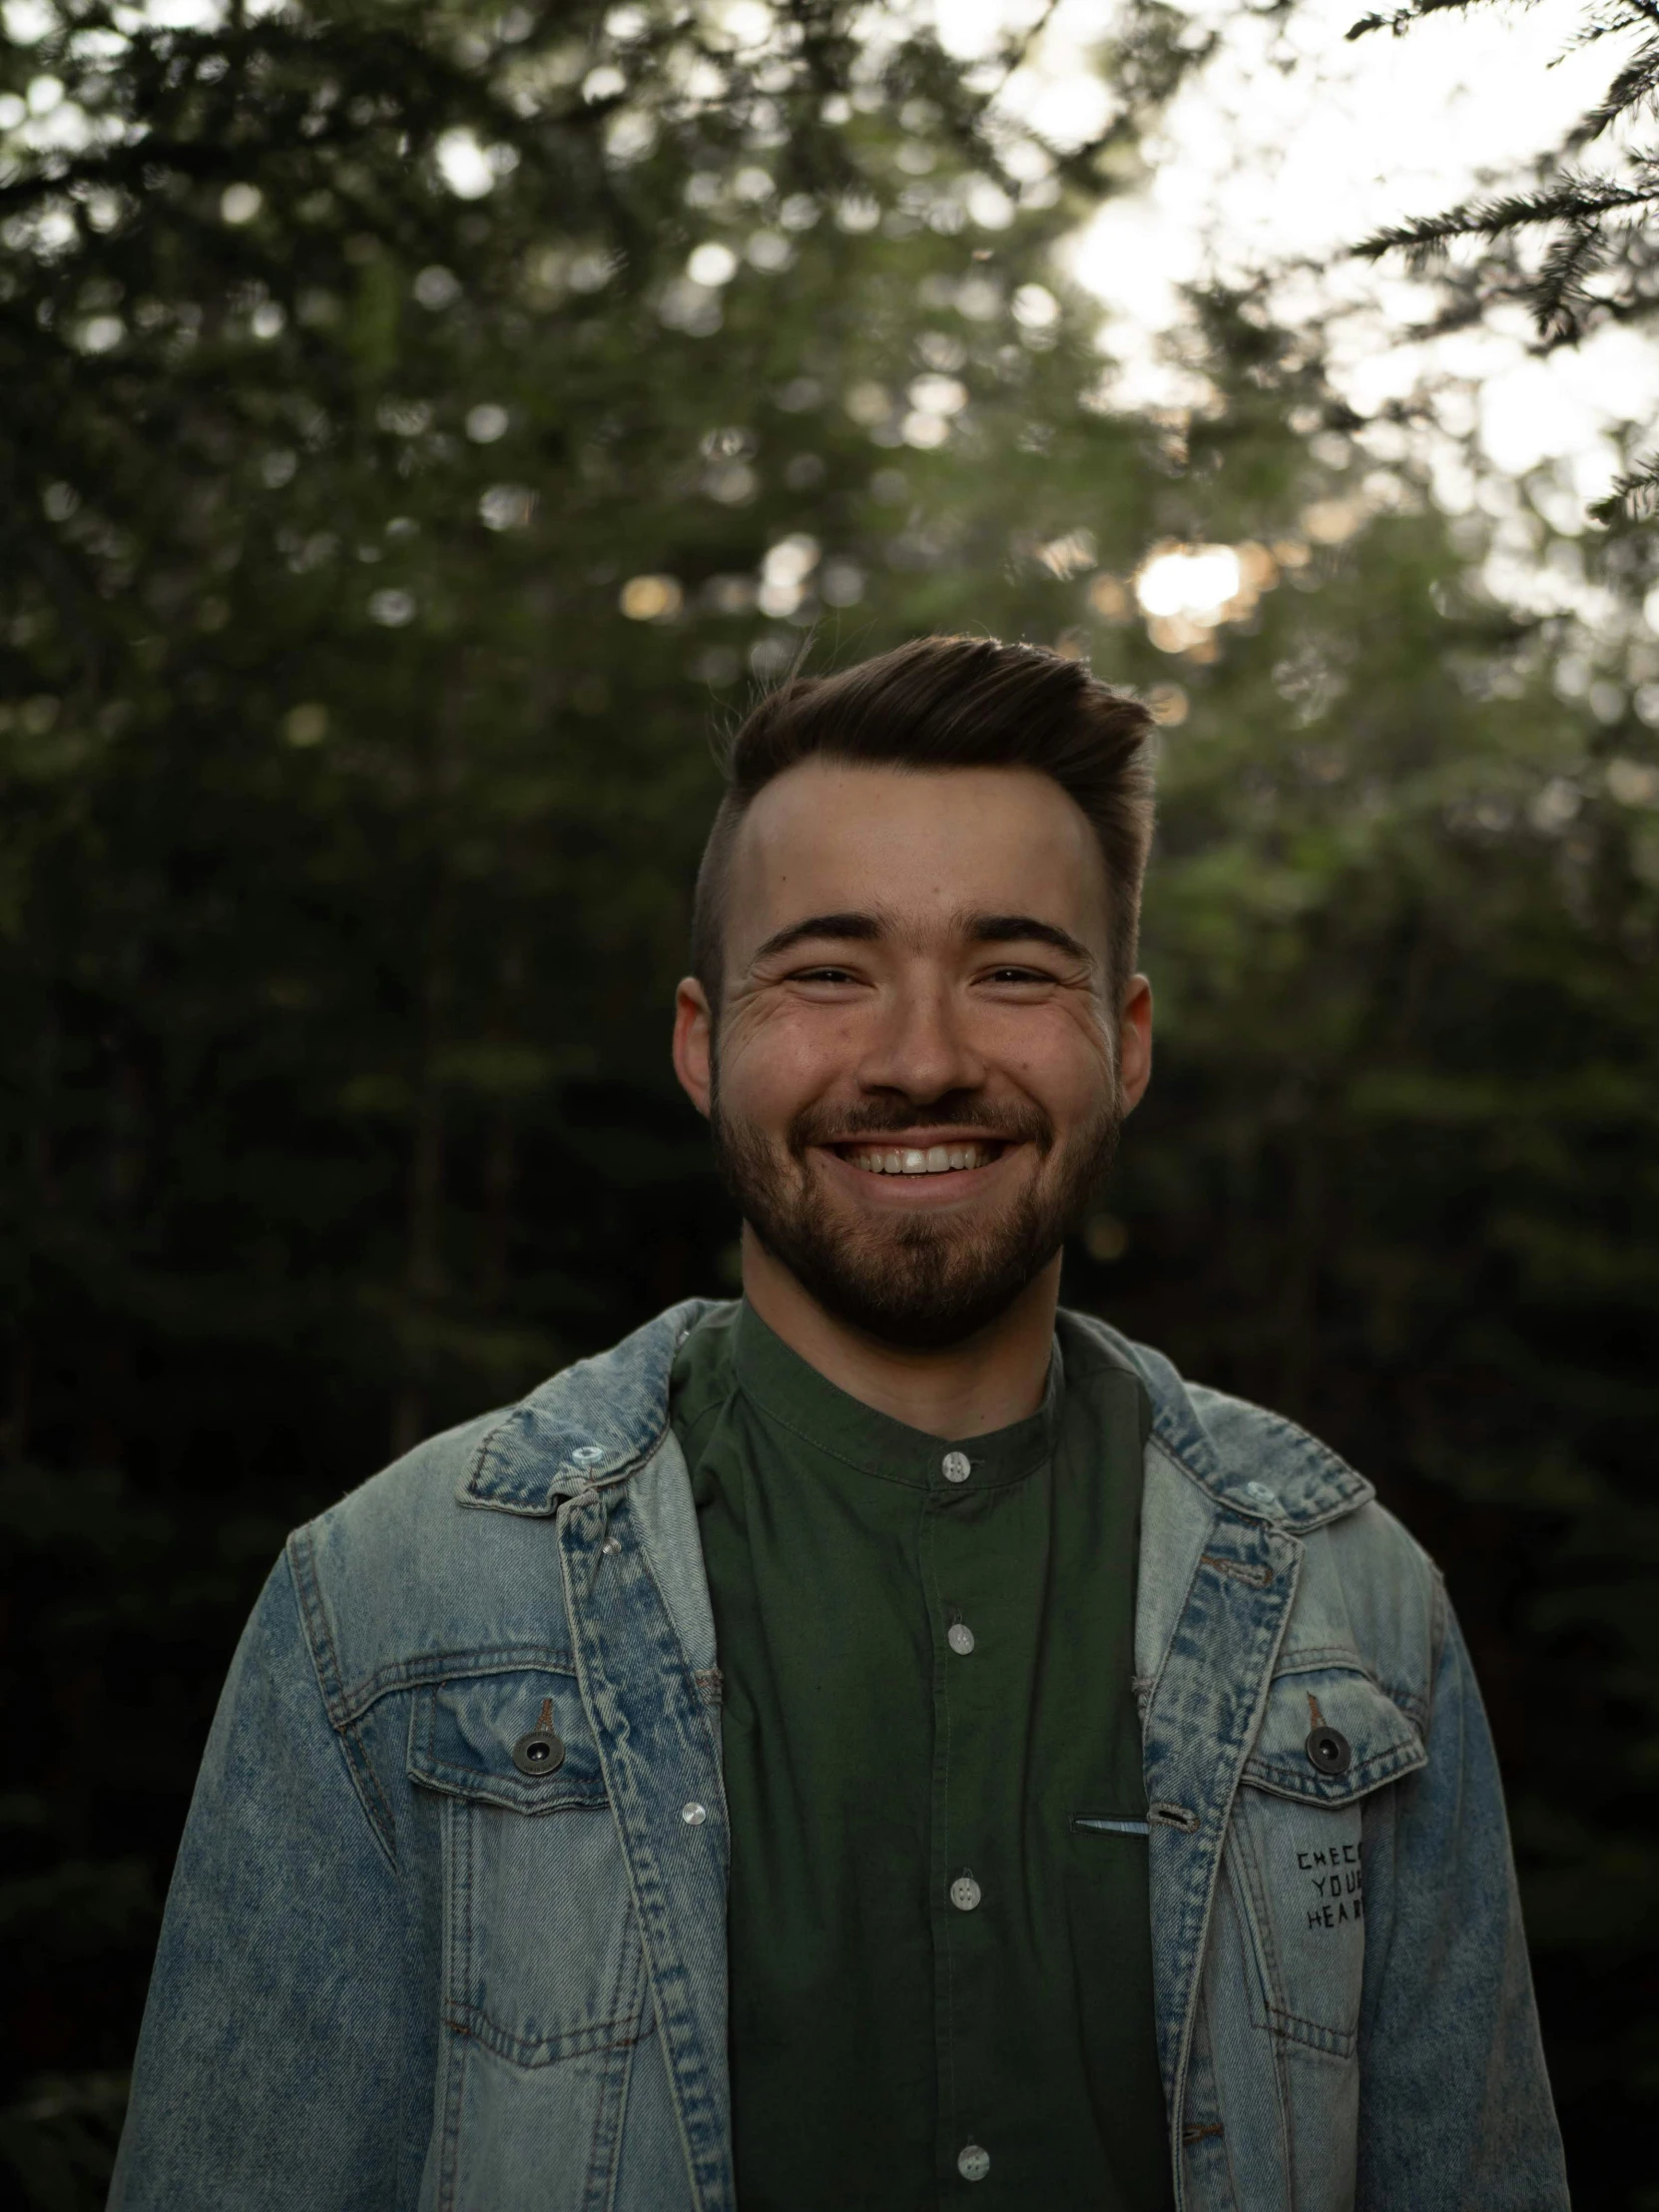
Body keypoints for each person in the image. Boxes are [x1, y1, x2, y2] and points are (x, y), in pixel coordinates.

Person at [110, 636, 1568, 2212]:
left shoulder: (1354, 1608)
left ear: (1125, 1042)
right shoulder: (387, 1603)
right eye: (823, 971)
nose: (921, 1059)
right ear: (700, 1043)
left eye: (1011, 970)